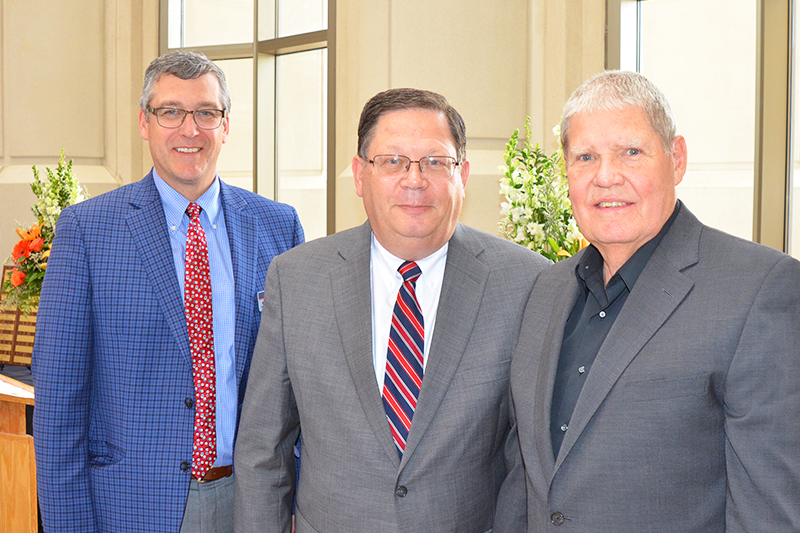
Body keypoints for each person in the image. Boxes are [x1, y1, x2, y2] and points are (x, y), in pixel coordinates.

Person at [233, 88, 549, 533]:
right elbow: (263, 450)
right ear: (361, 175)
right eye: (393, 161)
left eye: (435, 162)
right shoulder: (297, 278)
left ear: (464, 175)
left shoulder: (526, 282)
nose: (414, 179)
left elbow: (530, 458)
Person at [510, 70, 800, 531]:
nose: (606, 177)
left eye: (631, 152)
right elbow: (523, 482)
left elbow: (771, 509)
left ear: (676, 159)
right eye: (586, 157)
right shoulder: (545, 290)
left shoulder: (759, 291)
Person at [32, 50, 304, 533]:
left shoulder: (277, 227)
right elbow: (59, 404)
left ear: (225, 125)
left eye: (206, 112)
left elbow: (300, 387)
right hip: (128, 504)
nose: (189, 129)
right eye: (170, 112)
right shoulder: (87, 231)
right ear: (144, 122)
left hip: (252, 503)